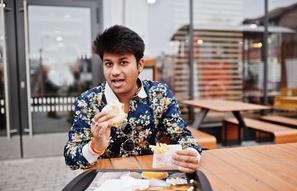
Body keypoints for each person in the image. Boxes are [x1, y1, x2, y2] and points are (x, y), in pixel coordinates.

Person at [64, 25, 202, 173]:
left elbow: (181, 135)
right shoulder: (88, 101)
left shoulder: (160, 94)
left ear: (140, 64)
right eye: (109, 64)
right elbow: (71, 157)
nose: (115, 72)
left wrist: (192, 154)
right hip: (107, 184)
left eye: (123, 62)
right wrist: (95, 147)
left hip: (150, 180)